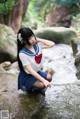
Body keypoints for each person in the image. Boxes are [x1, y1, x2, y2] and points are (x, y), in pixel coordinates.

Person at [17, 27, 55, 96]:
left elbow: (52, 44)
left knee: (49, 77)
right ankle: (33, 89)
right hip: (27, 76)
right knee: (42, 85)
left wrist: (38, 39)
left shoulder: (37, 45)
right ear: (24, 41)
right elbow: (31, 71)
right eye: (29, 39)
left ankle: (37, 88)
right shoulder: (22, 53)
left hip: (37, 72)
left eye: (32, 36)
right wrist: (44, 81)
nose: (32, 39)